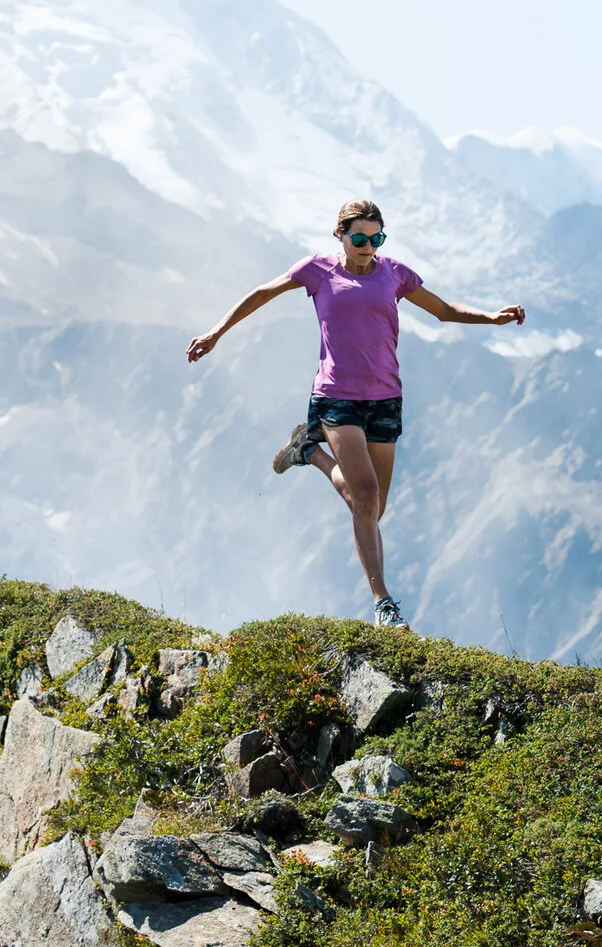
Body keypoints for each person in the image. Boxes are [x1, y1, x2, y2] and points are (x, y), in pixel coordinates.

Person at [185, 198, 525, 630]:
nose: (368, 246)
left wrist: (492, 319)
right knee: (364, 499)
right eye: (360, 237)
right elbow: (263, 293)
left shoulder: (395, 273)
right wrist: (216, 333)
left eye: (376, 237)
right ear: (339, 234)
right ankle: (384, 604)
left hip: (385, 398)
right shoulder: (318, 270)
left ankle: (309, 452)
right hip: (336, 396)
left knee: (373, 508)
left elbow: (444, 311)